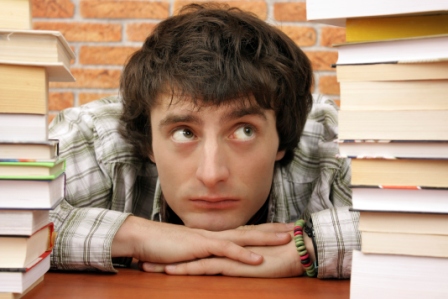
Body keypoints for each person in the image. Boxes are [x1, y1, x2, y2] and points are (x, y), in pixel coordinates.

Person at [49, 3, 360, 278]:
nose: (211, 175)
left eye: (244, 131)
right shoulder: (98, 134)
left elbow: (409, 221)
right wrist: (135, 234)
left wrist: (310, 248)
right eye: (185, 133)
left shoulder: (327, 137)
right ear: (147, 141)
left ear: (283, 137)